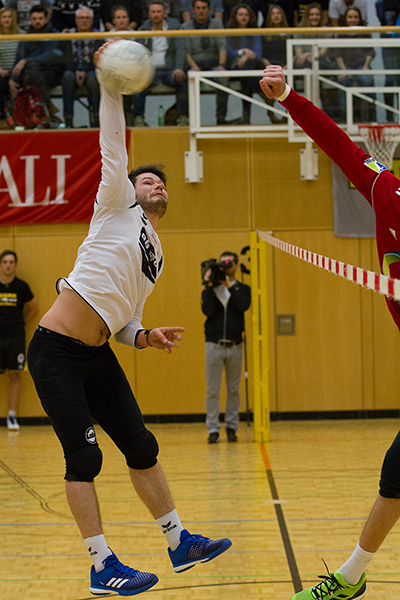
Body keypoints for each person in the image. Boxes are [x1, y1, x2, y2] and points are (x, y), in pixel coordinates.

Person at [26, 38, 232, 597]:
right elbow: (112, 142)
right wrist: (110, 86)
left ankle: (178, 542)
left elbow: (123, 317)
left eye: (160, 182)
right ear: (129, 192)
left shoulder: (157, 253)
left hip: (98, 354)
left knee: (141, 447)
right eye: (148, 181)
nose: (156, 184)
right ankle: (101, 564)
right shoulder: (115, 205)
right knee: (85, 456)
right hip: (56, 352)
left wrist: (144, 334)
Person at [260, 62, 400, 600]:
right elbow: (340, 145)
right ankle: (350, 575)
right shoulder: (385, 190)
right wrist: (290, 97)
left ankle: (349, 576)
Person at [201, 252, 250, 444]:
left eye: (228, 263)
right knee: (212, 390)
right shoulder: (211, 289)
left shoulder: (243, 289)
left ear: (236, 266)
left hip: (236, 345)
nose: (225, 267)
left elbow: (244, 305)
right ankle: (213, 429)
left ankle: (231, 427)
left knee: (233, 389)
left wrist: (230, 286)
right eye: (222, 264)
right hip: (214, 345)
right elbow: (207, 311)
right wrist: (208, 285)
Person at [133, 1, 188, 127]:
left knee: (182, 81)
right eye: (153, 12)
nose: (156, 15)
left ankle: (183, 116)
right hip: (150, 71)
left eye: (158, 12)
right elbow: (138, 53)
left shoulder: (174, 26)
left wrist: (179, 67)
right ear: (149, 14)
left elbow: (181, 48)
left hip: (170, 69)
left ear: (164, 13)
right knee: (137, 83)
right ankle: (139, 117)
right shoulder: (143, 29)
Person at [0, 250, 38, 430]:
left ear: (15, 265)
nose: (8, 265)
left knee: (14, 375)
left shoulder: (21, 287)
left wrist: (22, 323)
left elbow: (34, 308)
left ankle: (12, 416)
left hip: (15, 337)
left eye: (11, 262)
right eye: (5, 262)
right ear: (1, 264)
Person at [9, 4, 64, 121]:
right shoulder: (26, 36)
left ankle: (34, 118)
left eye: (40, 19)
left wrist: (25, 61)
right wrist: (11, 79)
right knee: (30, 74)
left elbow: (48, 57)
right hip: (33, 75)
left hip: (51, 73)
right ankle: (46, 109)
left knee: (30, 72)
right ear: (30, 20)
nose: (37, 21)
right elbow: (18, 58)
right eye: (34, 19)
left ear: (46, 19)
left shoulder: (54, 34)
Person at [181, 0, 228, 125]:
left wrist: (221, 66)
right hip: (194, 64)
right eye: (198, 8)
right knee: (185, 80)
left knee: (223, 78)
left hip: (213, 64)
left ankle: (221, 117)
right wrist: (193, 66)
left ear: (209, 10)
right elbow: (185, 51)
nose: (201, 10)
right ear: (193, 10)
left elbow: (222, 45)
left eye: (203, 8)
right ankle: (187, 118)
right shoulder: (186, 27)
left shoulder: (216, 23)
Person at [329, 6, 375, 123]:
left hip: (361, 67)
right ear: (346, 18)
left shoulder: (364, 32)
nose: (353, 20)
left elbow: (370, 52)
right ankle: (345, 115)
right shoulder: (340, 33)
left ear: (359, 19)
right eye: (350, 17)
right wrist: (344, 70)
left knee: (367, 80)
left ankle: (367, 115)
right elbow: (337, 54)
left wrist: (366, 67)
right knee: (344, 81)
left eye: (355, 17)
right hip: (346, 67)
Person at [221, 4, 264, 124]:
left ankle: (246, 117)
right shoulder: (229, 32)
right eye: (240, 15)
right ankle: (263, 91)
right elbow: (228, 53)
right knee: (246, 71)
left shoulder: (254, 32)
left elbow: (258, 53)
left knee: (247, 75)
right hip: (234, 68)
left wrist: (245, 56)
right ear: (235, 17)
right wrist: (242, 51)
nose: (244, 17)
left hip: (251, 67)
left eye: (246, 15)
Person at [61, 6, 103, 128]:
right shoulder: (67, 34)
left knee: (93, 78)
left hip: (91, 69)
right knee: (68, 77)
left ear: (92, 20)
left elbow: (100, 59)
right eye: (81, 18)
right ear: (76, 20)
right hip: (72, 69)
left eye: (87, 18)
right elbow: (63, 57)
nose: (84, 20)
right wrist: (76, 70)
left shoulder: (99, 35)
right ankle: (68, 122)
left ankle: (96, 120)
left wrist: (84, 70)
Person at [262, 5, 290, 124]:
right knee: (268, 80)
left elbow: (293, 52)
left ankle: (287, 113)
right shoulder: (264, 33)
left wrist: (288, 65)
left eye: (278, 13)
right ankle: (271, 111)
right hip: (268, 66)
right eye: (273, 13)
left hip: (286, 67)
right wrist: (268, 66)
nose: (276, 16)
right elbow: (261, 54)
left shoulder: (289, 32)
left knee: (287, 79)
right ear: (269, 17)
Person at [0, 7, 22, 123]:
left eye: (9, 17)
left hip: (18, 72)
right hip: (2, 72)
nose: (7, 19)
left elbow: (25, 54)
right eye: (4, 17)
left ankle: (24, 118)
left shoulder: (22, 34)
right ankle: (3, 117)